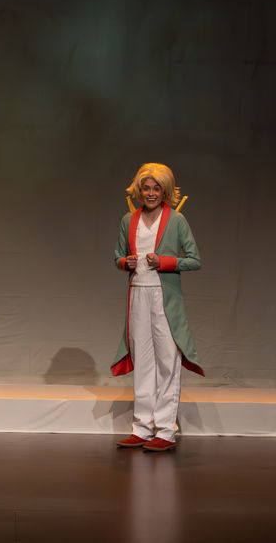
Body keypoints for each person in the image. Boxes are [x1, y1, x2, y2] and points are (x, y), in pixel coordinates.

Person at [112, 163, 202, 451]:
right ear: (139, 190)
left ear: (165, 191)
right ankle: (142, 427)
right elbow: (118, 255)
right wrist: (124, 262)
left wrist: (164, 261)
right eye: (146, 188)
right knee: (143, 362)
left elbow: (194, 260)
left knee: (167, 361)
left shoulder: (176, 220)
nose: (150, 193)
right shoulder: (129, 220)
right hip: (138, 295)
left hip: (164, 299)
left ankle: (164, 430)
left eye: (156, 188)